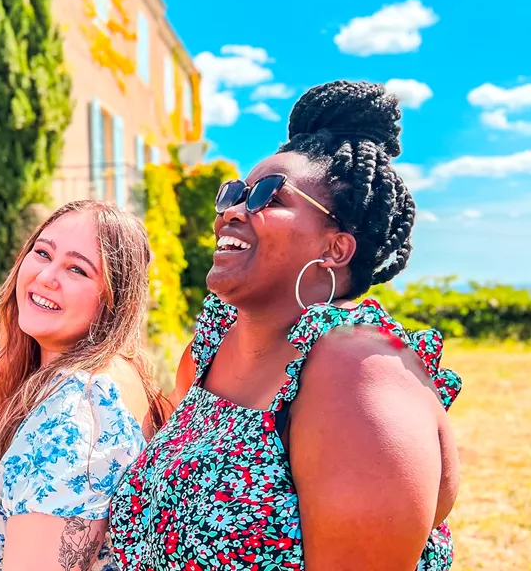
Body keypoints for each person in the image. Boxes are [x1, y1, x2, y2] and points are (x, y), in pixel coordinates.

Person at [109, 80, 464, 571]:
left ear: (335, 248)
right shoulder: (211, 347)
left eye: (267, 196)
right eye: (233, 193)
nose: (231, 211)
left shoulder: (358, 373)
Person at [0, 200, 170, 571]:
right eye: (42, 253)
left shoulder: (76, 416)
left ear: (112, 302)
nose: (46, 277)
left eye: (77, 269)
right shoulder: (28, 379)